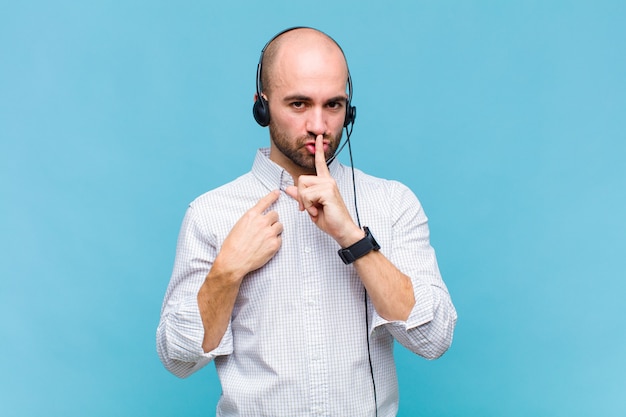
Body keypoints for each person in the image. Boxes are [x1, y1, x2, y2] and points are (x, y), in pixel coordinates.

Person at [157, 27, 457, 417]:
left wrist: (352, 237)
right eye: (299, 104)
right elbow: (179, 359)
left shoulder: (392, 203)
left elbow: (433, 339)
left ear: (349, 111)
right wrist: (226, 273)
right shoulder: (211, 212)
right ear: (261, 107)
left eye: (333, 105)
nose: (319, 125)